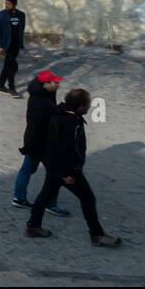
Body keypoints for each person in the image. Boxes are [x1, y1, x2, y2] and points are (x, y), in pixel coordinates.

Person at [25, 89, 120, 247]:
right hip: (66, 170)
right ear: (80, 107)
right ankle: (97, 235)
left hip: (54, 167)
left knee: (45, 194)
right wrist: (67, 174)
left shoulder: (60, 114)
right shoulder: (70, 123)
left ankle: (32, 226)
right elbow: (65, 150)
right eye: (87, 104)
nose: (89, 107)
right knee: (87, 198)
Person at [11, 70, 69, 216]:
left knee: (27, 170)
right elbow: (35, 125)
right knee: (55, 173)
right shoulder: (41, 102)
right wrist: (28, 146)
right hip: (41, 143)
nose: (58, 84)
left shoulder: (42, 94)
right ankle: (50, 204)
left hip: (38, 142)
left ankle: (19, 198)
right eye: (55, 82)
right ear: (46, 84)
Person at [0, 0, 26, 97]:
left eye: (8, 3)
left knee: (8, 66)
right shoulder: (1, 14)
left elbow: (21, 30)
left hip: (16, 45)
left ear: (14, 4)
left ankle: (0, 86)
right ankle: (12, 88)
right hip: (5, 46)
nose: (6, 5)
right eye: (5, 3)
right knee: (13, 66)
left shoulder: (21, 15)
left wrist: (20, 42)